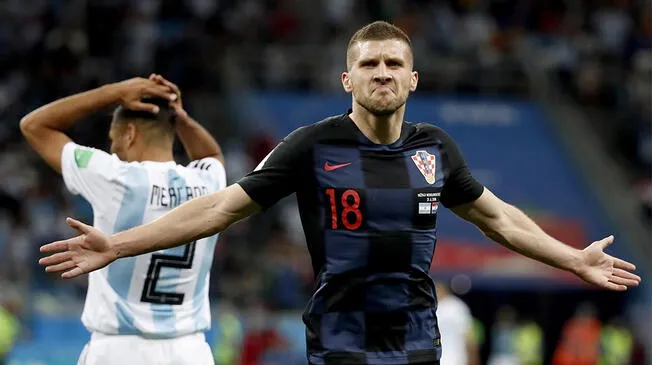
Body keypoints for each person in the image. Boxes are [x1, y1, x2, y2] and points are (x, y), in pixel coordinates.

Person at [38, 21, 641, 365]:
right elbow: (220, 207)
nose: (382, 73)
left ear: (412, 78)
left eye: (393, 64)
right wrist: (117, 244)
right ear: (348, 78)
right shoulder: (311, 146)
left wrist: (572, 259)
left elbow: (499, 219)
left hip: (416, 339)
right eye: (370, 64)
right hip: (340, 338)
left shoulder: (436, 149)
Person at [20, 74, 226, 365]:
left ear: (130, 133)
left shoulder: (115, 177)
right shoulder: (208, 181)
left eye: (113, 138)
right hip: (190, 351)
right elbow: (212, 153)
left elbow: (34, 126)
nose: (113, 148)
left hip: (119, 350)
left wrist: (115, 92)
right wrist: (178, 115)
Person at [435, 282, 480, 365]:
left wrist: (473, 360)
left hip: (457, 360)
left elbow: (470, 337)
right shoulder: (431, 307)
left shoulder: (457, 307)